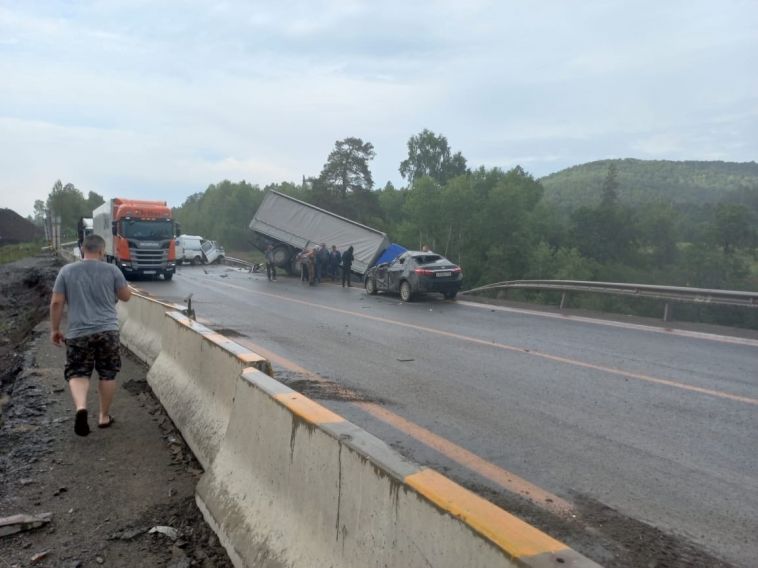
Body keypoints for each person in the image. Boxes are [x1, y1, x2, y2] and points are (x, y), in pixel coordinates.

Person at [49, 234, 131, 437]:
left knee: (78, 373)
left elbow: (56, 303)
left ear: (82, 249)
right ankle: (104, 416)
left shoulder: (66, 271)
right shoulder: (112, 270)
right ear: (102, 251)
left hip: (78, 333)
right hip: (108, 332)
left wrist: (55, 329)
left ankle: (81, 408)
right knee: (108, 373)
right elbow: (126, 296)